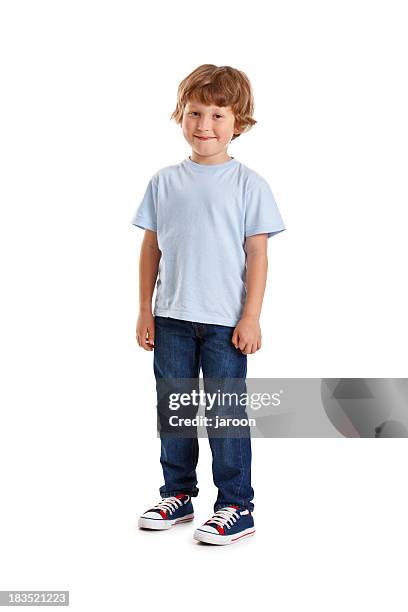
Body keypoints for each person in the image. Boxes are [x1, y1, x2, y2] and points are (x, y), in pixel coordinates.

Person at [131, 64, 286, 545]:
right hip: (172, 318)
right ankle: (177, 494)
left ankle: (236, 505)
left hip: (224, 324)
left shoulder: (249, 185)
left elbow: (257, 253)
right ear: (181, 115)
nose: (204, 125)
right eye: (195, 113)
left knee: (223, 415)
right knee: (174, 410)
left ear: (238, 122)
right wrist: (144, 309)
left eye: (218, 115)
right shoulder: (163, 181)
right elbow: (152, 248)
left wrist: (251, 316)